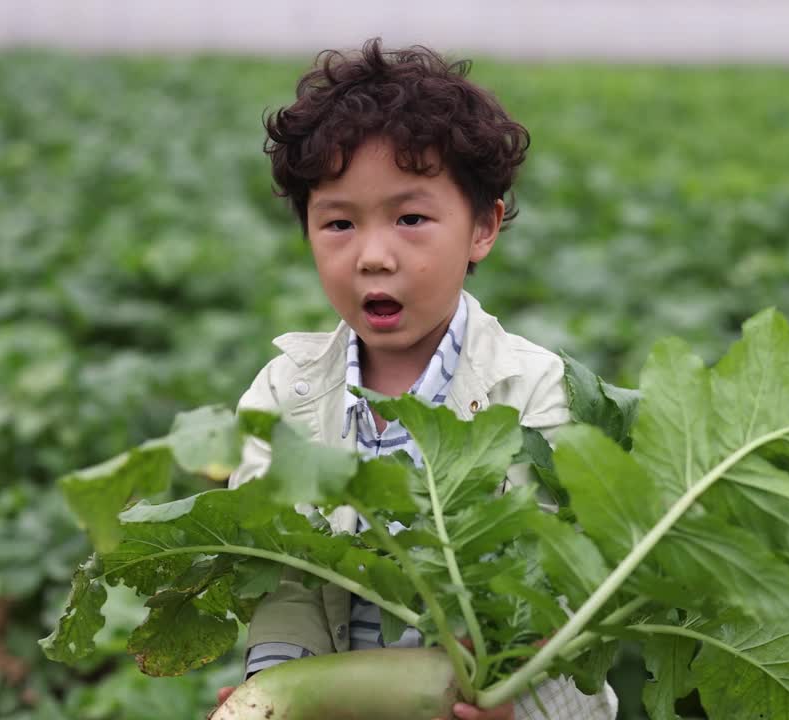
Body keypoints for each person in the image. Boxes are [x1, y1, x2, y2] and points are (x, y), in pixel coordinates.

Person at [214, 38, 618, 720]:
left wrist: (511, 699)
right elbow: (280, 579)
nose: (374, 256)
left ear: (483, 228)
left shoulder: (541, 392)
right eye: (339, 223)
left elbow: (567, 594)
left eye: (411, 219)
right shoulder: (283, 395)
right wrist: (276, 689)